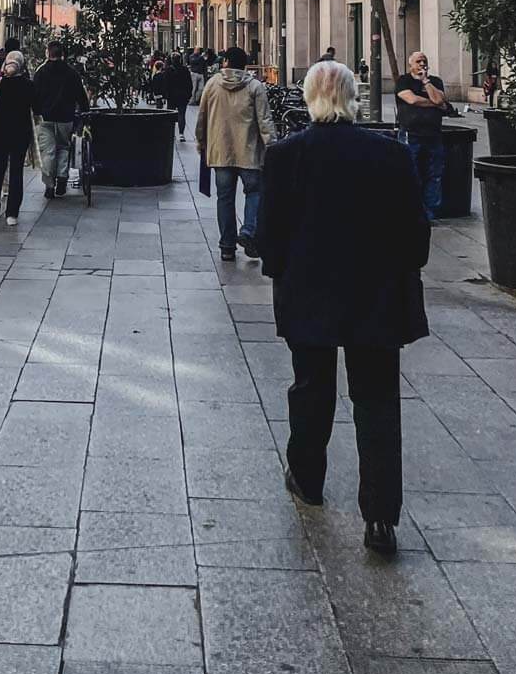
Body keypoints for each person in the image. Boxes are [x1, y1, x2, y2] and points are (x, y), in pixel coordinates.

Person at [256, 59, 429, 557]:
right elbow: (416, 236)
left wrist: (284, 273)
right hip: (375, 299)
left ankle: (307, 479)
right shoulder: (390, 154)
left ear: (310, 99)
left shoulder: (287, 156)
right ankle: (379, 518)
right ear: (353, 97)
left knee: (310, 389)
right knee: (377, 403)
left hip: (309, 293)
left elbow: (270, 237)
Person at [196, 45, 276, 263]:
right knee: (254, 192)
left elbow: (201, 117)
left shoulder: (212, 84)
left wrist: (201, 143)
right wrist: (272, 147)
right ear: (245, 65)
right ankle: (249, 231)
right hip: (249, 151)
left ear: (225, 63)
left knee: (225, 198)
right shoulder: (255, 87)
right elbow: (265, 121)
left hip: (221, 151)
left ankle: (227, 247)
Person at [395, 50, 452, 223]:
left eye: (424, 61)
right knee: (411, 173)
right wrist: (435, 104)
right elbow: (412, 100)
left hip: (433, 135)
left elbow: (441, 98)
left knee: (434, 174)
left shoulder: (435, 82)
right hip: (411, 134)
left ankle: (429, 213)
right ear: (410, 64)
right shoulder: (403, 81)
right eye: (418, 61)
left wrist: (426, 82)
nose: (422, 64)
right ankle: (411, 211)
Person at [32, 39, 89, 199]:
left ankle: (49, 185)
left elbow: (34, 95)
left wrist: (37, 111)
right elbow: (81, 96)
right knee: (64, 147)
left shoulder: (40, 72)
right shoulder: (71, 73)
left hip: (45, 118)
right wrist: (84, 112)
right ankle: (62, 178)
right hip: (66, 117)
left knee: (48, 151)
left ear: (48, 53)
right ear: (62, 54)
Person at [0, 49, 35, 225]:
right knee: (16, 171)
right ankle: (12, 213)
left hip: (0, 132)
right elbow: (36, 108)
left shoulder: (0, 84)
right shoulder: (29, 85)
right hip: (21, 133)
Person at [162, 52, 194, 140]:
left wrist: (165, 95)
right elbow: (189, 84)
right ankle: (181, 134)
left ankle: (172, 134)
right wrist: (188, 95)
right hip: (183, 96)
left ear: (172, 60)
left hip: (171, 96)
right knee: (181, 115)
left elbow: (165, 84)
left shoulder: (168, 70)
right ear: (180, 59)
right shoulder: (185, 70)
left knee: (171, 115)